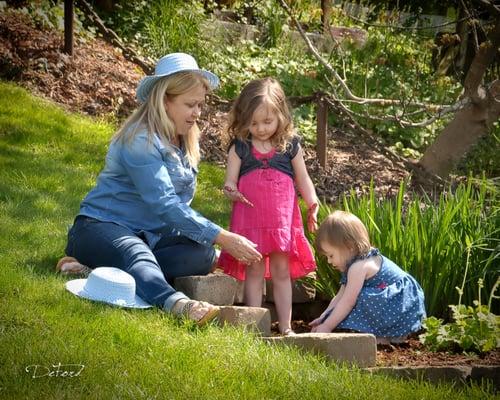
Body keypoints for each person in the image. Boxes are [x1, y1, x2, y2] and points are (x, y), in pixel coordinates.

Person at [57, 53, 262, 325]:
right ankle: (176, 304)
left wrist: (210, 242)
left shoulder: (183, 140)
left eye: (200, 105)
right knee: (136, 252)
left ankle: (99, 268)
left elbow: (178, 211)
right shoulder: (140, 140)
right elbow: (164, 204)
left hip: (150, 236)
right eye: (190, 105)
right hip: (100, 228)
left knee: (200, 254)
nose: (197, 113)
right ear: (165, 100)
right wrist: (222, 236)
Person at [218, 77, 318, 335]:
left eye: (267, 122)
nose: (261, 129)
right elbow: (229, 181)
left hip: (281, 222)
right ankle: (254, 325)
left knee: (282, 270)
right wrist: (232, 191)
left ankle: (285, 327)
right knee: (254, 270)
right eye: (253, 123)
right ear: (243, 119)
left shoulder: (290, 145)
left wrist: (312, 203)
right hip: (250, 220)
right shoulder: (240, 147)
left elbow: (303, 178)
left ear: (281, 116)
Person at [310, 210, 426, 342]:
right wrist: (324, 317)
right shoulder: (354, 262)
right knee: (357, 295)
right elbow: (340, 296)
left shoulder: (358, 267)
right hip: (397, 302)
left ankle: (386, 337)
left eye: (331, 255)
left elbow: (347, 302)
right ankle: (384, 336)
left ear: (349, 246)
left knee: (360, 296)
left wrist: (327, 327)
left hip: (400, 301)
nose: (329, 261)